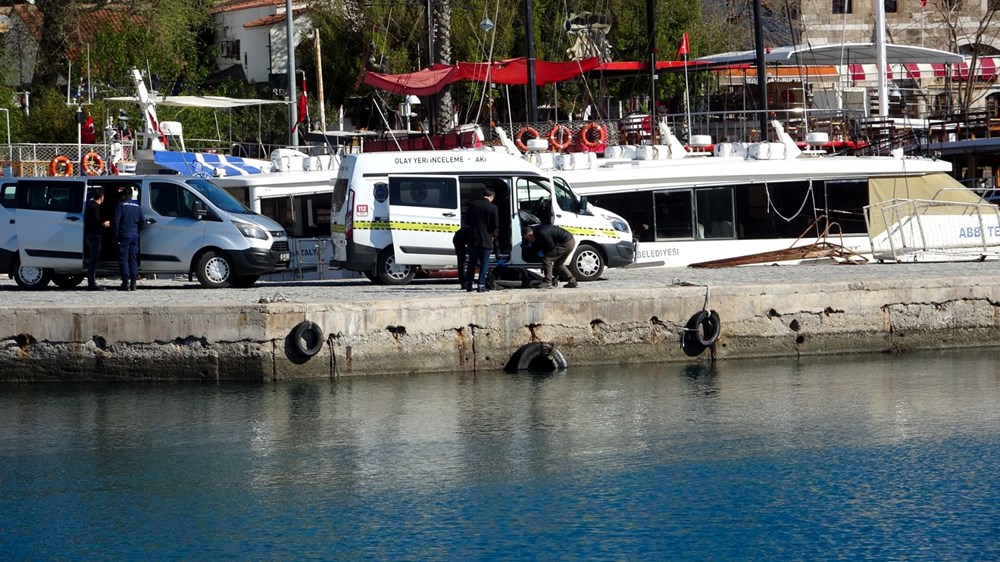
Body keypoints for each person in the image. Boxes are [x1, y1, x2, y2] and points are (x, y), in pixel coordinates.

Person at [464, 188, 499, 293]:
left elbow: (467, 221)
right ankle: (481, 285)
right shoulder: (493, 208)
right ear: (491, 197)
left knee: (471, 262)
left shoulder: (472, 205)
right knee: (484, 263)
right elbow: (495, 225)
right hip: (485, 239)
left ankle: (469, 284)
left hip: (473, 238)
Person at [523, 224, 578, 289]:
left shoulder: (541, 233)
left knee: (547, 260)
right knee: (558, 264)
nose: (528, 241)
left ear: (529, 234)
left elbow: (550, 246)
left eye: (527, 238)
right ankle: (572, 282)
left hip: (565, 243)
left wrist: (545, 256)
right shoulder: (537, 232)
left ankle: (548, 282)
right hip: (570, 241)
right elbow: (538, 245)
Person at [114, 185, 144, 291]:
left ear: (123, 195)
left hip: (124, 235)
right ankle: (134, 283)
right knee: (133, 259)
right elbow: (142, 222)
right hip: (134, 235)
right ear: (131, 195)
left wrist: (115, 235)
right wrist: (137, 232)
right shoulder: (137, 206)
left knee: (124, 259)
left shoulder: (120, 206)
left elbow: (116, 222)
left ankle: (125, 282)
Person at [84, 187, 110, 291]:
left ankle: (92, 281)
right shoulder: (95, 207)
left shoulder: (90, 206)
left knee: (93, 259)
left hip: (90, 235)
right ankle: (91, 283)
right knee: (94, 260)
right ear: (102, 197)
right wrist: (105, 223)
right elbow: (97, 221)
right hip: (94, 235)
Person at [452, 225, 469, 290]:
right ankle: (463, 282)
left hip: (465, 237)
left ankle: (467, 281)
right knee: (461, 261)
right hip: (458, 239)